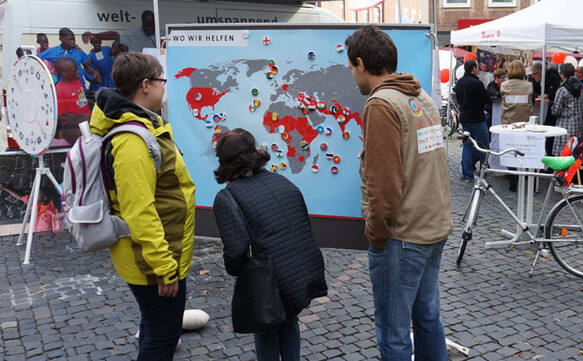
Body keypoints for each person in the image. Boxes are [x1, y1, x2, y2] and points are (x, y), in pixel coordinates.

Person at [345, 25, 453, 360]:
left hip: (402, 236)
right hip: (433, 227)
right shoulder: (421, 97)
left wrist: (377, 236)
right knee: (427, 318)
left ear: (361, 64)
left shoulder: (381, 105)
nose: (352, 75)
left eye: (351, 68)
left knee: (393, 331)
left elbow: (384, 185)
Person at [89, 52, 195, 360]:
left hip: (158, 257)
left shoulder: (142, 127)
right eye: (163, 81)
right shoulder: (133, 141)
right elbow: (139, 211)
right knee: (162, 338)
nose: (166, 87)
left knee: (154, 329)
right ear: (146, 85)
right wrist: (164, 268)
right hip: (152, 263)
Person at [212, 129, 328, 361]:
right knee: (289, 323)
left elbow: (236, 250)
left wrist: (234, 269)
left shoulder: (228, 197)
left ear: (224, 162)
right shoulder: (282, 181)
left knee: (266, 332)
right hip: (300, 274)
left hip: (270, 282)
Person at [454, 58, 492, 182]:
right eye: (477, 67)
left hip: (465, 117)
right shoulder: (476, 83)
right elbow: (486, 99)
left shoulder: (459, 83)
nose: (479, 69)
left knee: (467, 146)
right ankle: (483, 169)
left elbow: (458, 100)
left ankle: (467, 174)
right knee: (483, 144)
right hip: (477, 118)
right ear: (474, 68)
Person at [500, 60, 534, 192]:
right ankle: (521, 175)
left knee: (510, 151)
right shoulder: (529, 85)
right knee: (523, 149)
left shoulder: (504, 85)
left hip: (508, 122)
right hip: (524, 123)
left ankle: (512, 177)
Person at [551, 63, 583, 155]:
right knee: (575, 151)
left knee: (563, 152)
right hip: (579, 124)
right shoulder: (582, 87)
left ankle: (562, 170)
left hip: (564, 124)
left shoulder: (562, 90)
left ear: (562, 74)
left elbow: (556, 111)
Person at [54, 57, 91, 144]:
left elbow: (80, 99)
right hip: (76, 127)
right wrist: (84, 119)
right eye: (74, 70)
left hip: (88, 119)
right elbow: (60, 116)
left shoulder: (77, 82)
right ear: (64, 73)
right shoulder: (59, 90)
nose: (78, 71)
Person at [530, 61, 561, 155]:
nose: (533, 76)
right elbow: (533, 92)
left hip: (550, 112)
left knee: (549, 135)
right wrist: (538, 95)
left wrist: (549, 95)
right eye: (532, 74)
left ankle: (550, 157)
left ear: (541, 73)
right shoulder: (536, 82)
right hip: (539, 111)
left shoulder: (553, 78)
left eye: (535, 74)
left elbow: (555, 93)